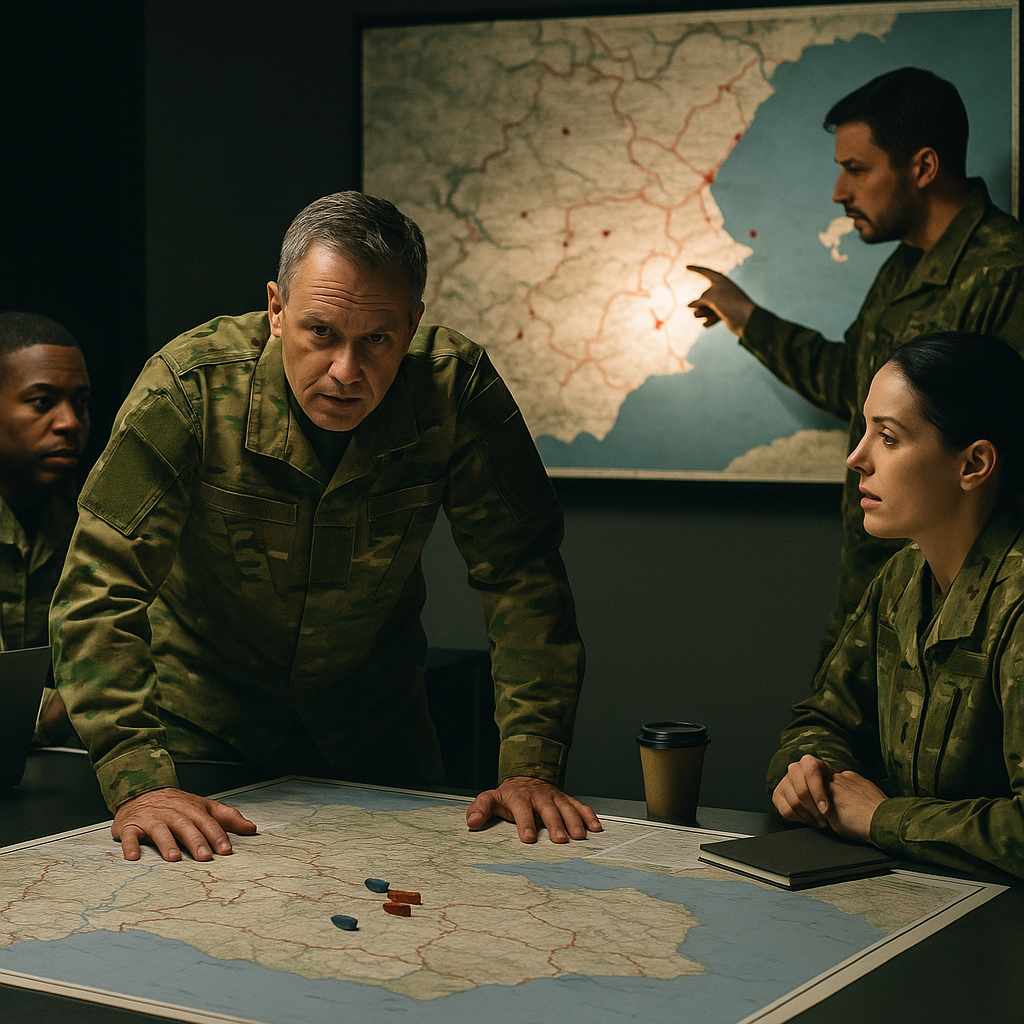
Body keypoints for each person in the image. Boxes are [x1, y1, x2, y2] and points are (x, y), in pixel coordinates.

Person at [50, 191, 601, 862]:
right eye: (321, 333)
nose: (346, 371)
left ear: (413, 323)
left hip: (378, 739)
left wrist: (531, 768)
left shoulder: (455, 391)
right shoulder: (188, 390)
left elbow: (523, 576)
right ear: (277, 310)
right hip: (201, 741)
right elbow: (99, 585)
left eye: (377, 339)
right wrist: (139, 780)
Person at [687, 67, 1024, 655]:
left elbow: (1008, 458)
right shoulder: (905, 266)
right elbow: (854, 381)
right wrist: (745, 317)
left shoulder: (1007, 273)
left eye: (857, 169)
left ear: (923, 167)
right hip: (877, 590)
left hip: (962, 616)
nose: (839, 192)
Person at [767, 332, 1024, 880]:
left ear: (974, 464)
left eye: (888, 437)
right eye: (865, 431)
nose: (856, 458)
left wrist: (882, 818)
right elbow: (823, 716)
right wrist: (813, 774)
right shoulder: (903, 575)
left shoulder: (1018, 603)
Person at [0, 311, 90, 744]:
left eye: (81, 402)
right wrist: (60, 710)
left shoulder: (91, 519)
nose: (70, 422)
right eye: (42, 401)